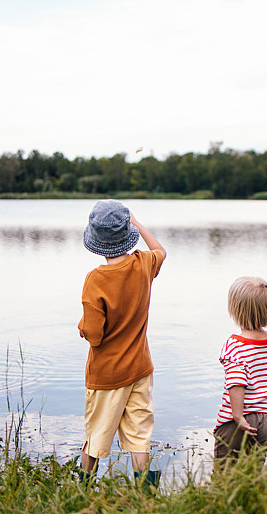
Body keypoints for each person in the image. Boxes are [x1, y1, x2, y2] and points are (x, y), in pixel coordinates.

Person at [77, 199, 166, 486]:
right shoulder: (143, 264)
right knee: (139, 435)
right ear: (128, 233)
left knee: (96, 435)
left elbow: (94, 335)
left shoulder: (95, 280)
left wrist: (82, 327)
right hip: (139, 369)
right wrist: (138, 224)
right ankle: (145, 488)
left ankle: (83, 487)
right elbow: (160, 251)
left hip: (107, 375)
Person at [214, 276, 267, 467]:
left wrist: (238, 416)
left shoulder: (235, 345)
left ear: (234, 310)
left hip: (236, 422)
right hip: (265, 420)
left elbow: (236, 382)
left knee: (225, 475)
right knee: (252, 474)